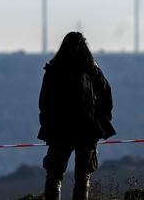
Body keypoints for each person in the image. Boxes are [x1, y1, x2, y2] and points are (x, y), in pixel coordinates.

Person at [38, 31, 116, 200]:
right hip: (86, 130)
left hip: (60, 130)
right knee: (82, 177)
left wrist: (48, 125)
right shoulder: (91, 70)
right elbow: (106, 95)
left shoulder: (54, 70)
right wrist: (100, 120)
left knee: (54, 174)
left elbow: (44, 102)